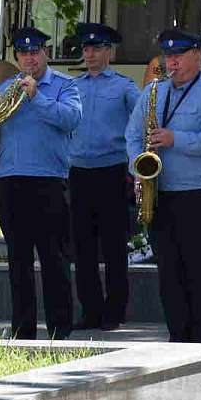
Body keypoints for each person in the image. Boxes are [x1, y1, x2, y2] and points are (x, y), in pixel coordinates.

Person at [125, 29, 201, 343]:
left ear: (197, 55)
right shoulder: (153, 92)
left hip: (198, 194)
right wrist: (139, 167)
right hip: (160, 193)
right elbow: (132, 136)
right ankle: (178, 338)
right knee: (169, 273)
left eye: (179, 56)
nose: (171, 62)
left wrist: (177, 139)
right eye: (168, 56)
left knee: (198, 272)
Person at [0, 27, 82, 340]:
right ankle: (22, 329)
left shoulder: (64, 86)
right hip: (10, 180)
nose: (29, 58)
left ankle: (60, 329)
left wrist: (37, 96)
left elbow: (71, 119)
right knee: (18, 259)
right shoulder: (5, 87)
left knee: (53, 258)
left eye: (35, 52)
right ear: (16, 57)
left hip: (48, 181)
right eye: (23, 53)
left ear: (45, 53)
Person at [68, 23, 140, 331]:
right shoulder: (71, 86)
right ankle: (91, 310)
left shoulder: (124, 87)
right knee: (82, 247)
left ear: (110, 51)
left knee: (113, 246)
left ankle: (115, 311)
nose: (91, 54)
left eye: (97, 48)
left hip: (111, 171)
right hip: (79, 172)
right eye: (86, 49)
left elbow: (141, 124)